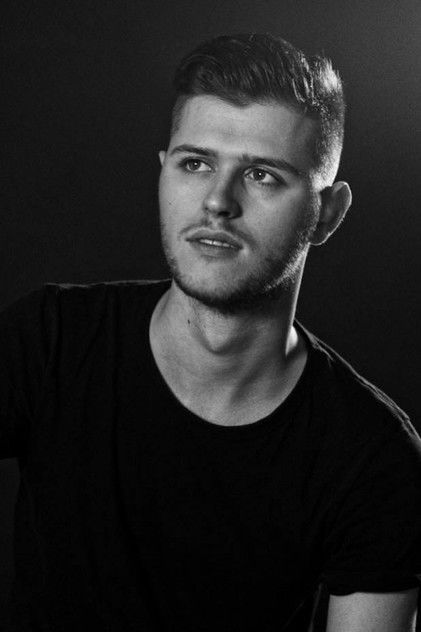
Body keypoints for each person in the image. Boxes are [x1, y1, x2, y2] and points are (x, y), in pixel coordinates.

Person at [1, 32, 420, 632]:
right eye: (195, 164)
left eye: (263, 175)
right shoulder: (49, 341)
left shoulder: (373, 458)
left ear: (327, 214)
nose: (218, 202)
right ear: (163, 173)